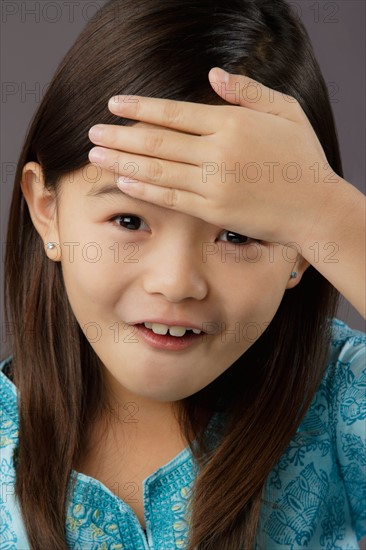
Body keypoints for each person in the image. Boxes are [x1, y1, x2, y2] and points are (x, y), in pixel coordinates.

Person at [1, 0, 365, 548]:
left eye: (237, 234)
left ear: (301, 252)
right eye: (129, 220)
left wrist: (329, 213)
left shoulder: (342, 398)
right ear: (46, 208)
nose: (175, 282)